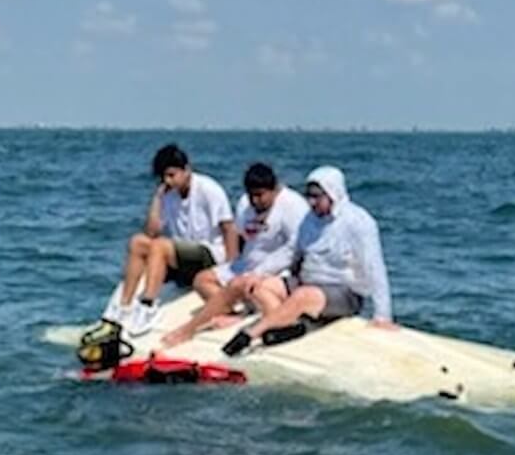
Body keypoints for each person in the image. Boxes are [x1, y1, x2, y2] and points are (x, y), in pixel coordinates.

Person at [219, 165, 398, 356]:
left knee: (303, 296)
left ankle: (250, 334)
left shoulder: (358, 222)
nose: (311, 202)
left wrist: (383, 315)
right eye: (309, 196)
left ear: (333, 194)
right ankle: (290, 327)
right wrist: (257, 274)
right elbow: (289, 252)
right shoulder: (309, 220)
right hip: (307, 283)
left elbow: (375, 268)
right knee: (261, 287)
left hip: (344, 292)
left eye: (317, 196)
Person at [160, 162, 308, 347]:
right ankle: (235, 314)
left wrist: (260, 272)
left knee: (238, 285)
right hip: (247, 263)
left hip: (278, 269)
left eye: (260, 195)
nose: (255, 201)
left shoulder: (293, 206)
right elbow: (242, 236)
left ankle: (188, 330)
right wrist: (233, 264)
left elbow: (294, 250)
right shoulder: (246, 203)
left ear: (274, 189)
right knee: (202, 280)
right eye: (252, 195)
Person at [101, 143, 236, 334]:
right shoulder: (168, 194)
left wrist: (231, 269)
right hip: (181, 254)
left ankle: (147, 306)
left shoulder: (208, 189)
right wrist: (157, 199)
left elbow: (228, 229)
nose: (168, 181)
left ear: (186, 170)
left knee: (160, 246)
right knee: (137, 242)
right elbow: (151, 232)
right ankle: (124, 306)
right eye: (164, 177)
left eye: (172, 175)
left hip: (209, 254)